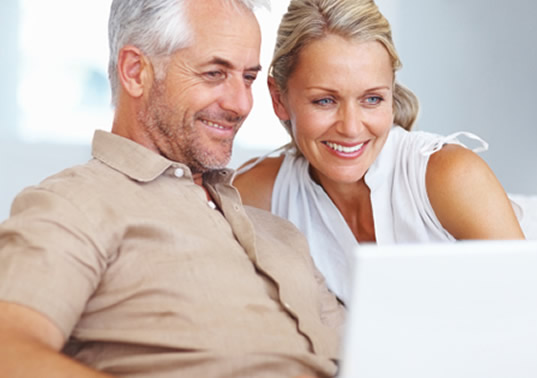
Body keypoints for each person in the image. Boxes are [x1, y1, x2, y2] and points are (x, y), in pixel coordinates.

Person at [0, 0, 345, 377]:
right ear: (136, 72)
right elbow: (10, 351)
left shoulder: (280, 233)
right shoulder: (74, 205)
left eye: (247, 77)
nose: (241, 103)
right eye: (214, 73)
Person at [233, 0, 525, 303]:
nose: (351, 128)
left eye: (371, 99)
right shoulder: (257, 195)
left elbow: (535, 303)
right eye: (325, 101)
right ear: (279, 98)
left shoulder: (451, 176)